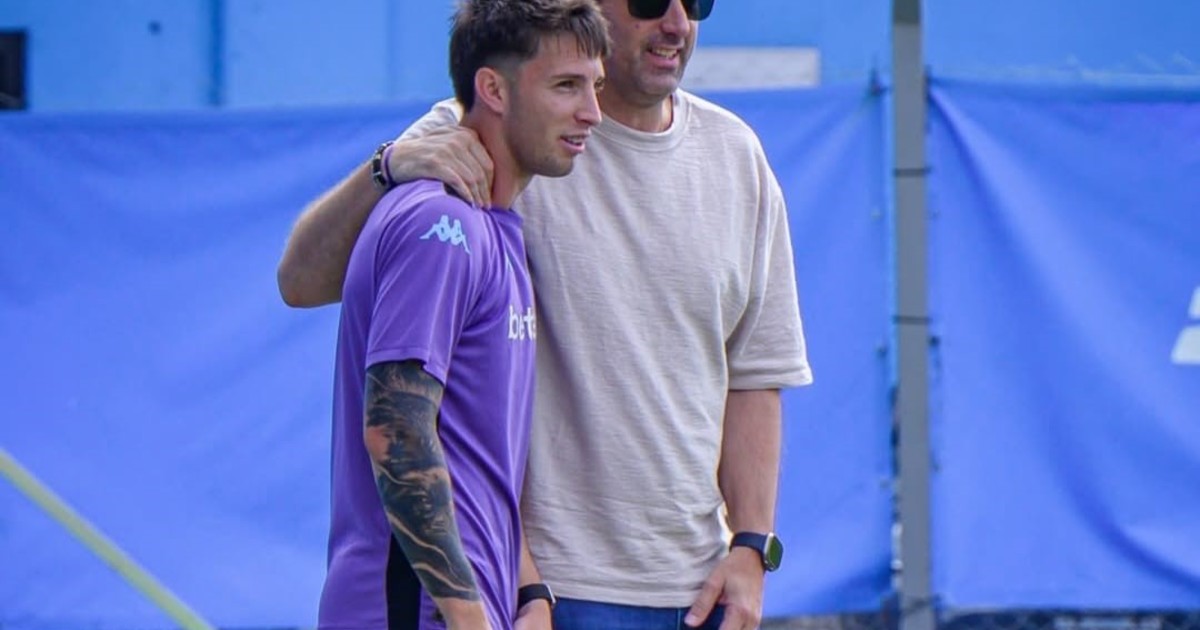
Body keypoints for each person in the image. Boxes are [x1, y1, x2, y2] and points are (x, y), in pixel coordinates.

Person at [280, 1, 812, 628]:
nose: (677, 23)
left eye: (697, 1)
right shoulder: (484, 142)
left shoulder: (737, 156)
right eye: (649, 1)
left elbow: (757, 371)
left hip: (695, 592)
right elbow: (306, 285)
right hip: (539, 593)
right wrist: (386, 167)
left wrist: (752, 546)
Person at [315, 0, 609, 628]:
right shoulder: (439, 222)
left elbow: (481, 460)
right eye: (566, 86)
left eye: (596, 86)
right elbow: (396, 433)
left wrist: (529, 592)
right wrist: (470, 619)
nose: (592, 111)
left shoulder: (496, 228)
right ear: (493, 89)